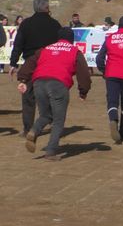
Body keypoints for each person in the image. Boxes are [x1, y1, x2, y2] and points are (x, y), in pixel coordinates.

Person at [17, 27, 92, 161]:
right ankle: (51, 151)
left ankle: (34, 130)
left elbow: (30, 62)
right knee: (58, 120)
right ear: (71, 39)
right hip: (58, 83)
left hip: (38, 82)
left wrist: (22, 79)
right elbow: (84, 73)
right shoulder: (75, 51)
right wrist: (83, 91)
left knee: (46, 115)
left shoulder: (45, 49)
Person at [9, 0, 62, 136]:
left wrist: (13, 63)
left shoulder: (26, 24)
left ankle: (28, 128)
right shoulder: (55, 24)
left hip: (30, 63)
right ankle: (51, 123)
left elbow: (18, 44)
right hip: (50, 63)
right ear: (46, 8)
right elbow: (61, 45)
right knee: (51, 94)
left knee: (28, 97)